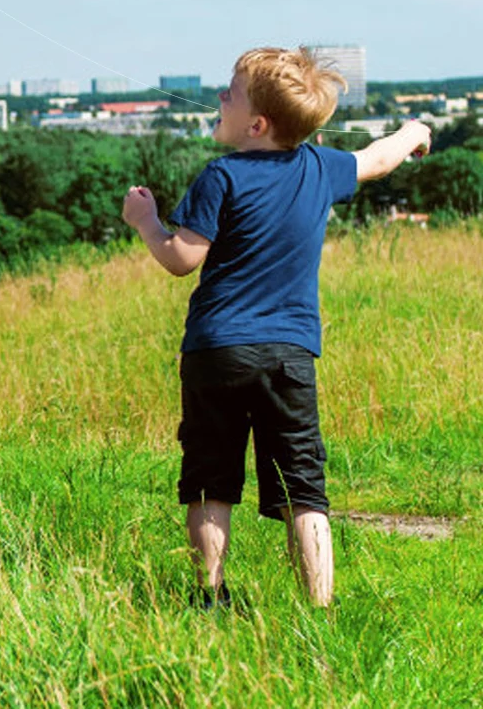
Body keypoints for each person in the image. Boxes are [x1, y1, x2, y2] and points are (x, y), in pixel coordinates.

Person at [121, 46, 430, 608]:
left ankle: (210, 598)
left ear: (256, 123)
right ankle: (319, 610)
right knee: (303, 489)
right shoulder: (320, 168)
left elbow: (181, 259)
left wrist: (147, 222)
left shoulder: (221, 176)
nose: (219, 97)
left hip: (216, 352)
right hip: (289, 354)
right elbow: (378, 159)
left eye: (230, 93)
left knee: (211, 481)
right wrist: (415, 131)